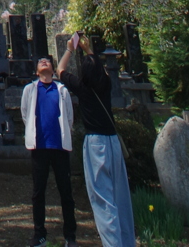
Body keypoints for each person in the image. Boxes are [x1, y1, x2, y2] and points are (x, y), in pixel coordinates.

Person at [58, 34, 135, 247]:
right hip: (113, 142)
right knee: (121, 198)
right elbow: (98, 70)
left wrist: (70, 49)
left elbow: (60, 71)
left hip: (96, 144)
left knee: (103, 200)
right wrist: (88, 49)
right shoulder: (107, 85)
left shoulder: (82, 87)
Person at [21, 55, 78, 247]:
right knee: (38, 192)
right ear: (37, 71)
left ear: (53, 69)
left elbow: (69, 117)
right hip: (39, 147)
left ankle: (70, 236)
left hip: (60, 146)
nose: (44, 62)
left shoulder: (62, 90)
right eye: (40, 61)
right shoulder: (30, 90)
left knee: (66, 192)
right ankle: (39, 234)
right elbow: (25, 114)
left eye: (47, 61)